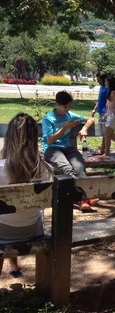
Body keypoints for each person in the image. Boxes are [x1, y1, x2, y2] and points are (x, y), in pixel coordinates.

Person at [0, 113, 54, 278]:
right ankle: (15, 266)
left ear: (8, 138)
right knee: (20, 211)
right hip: (32, 230)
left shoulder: (1, 168)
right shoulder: (45, 169)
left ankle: (13, 265)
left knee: (6, 215)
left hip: (2, 234)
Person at [42, 90, 99, 212]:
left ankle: (84, 198)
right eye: (65, 107)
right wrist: (64, 128)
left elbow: (90, 119)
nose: (68, 109)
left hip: (67, 148)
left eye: (69, 106)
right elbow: (50, 140)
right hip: (52, 150)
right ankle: (82, 199)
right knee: (67, 168)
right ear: (58, 104)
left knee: (79, 166)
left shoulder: (69, 115)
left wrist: (84, 129)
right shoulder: (48, 119)